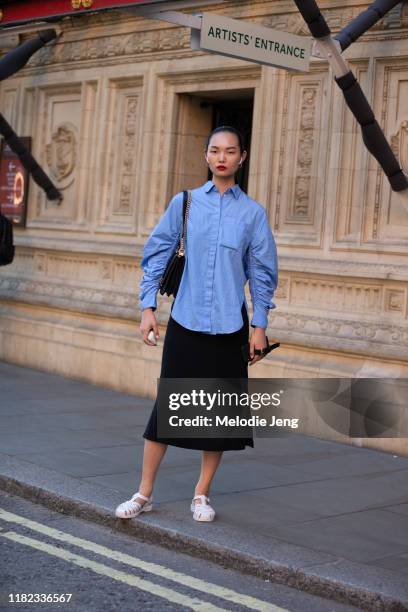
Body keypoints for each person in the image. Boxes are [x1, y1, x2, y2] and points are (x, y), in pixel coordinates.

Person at [115, 125, 278, 522]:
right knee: (168, 406)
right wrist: (146, 307)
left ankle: (201, 494)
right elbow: (156, 253)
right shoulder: (184, 202)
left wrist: (259, 325)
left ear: (242, 157)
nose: (222, 157)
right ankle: (144, 492)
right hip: (186, 320)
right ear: (206, 157)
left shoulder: (252, 214)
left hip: (230, 325)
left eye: (230, 151)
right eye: (215, 150)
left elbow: (261, 273)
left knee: (219, 414)